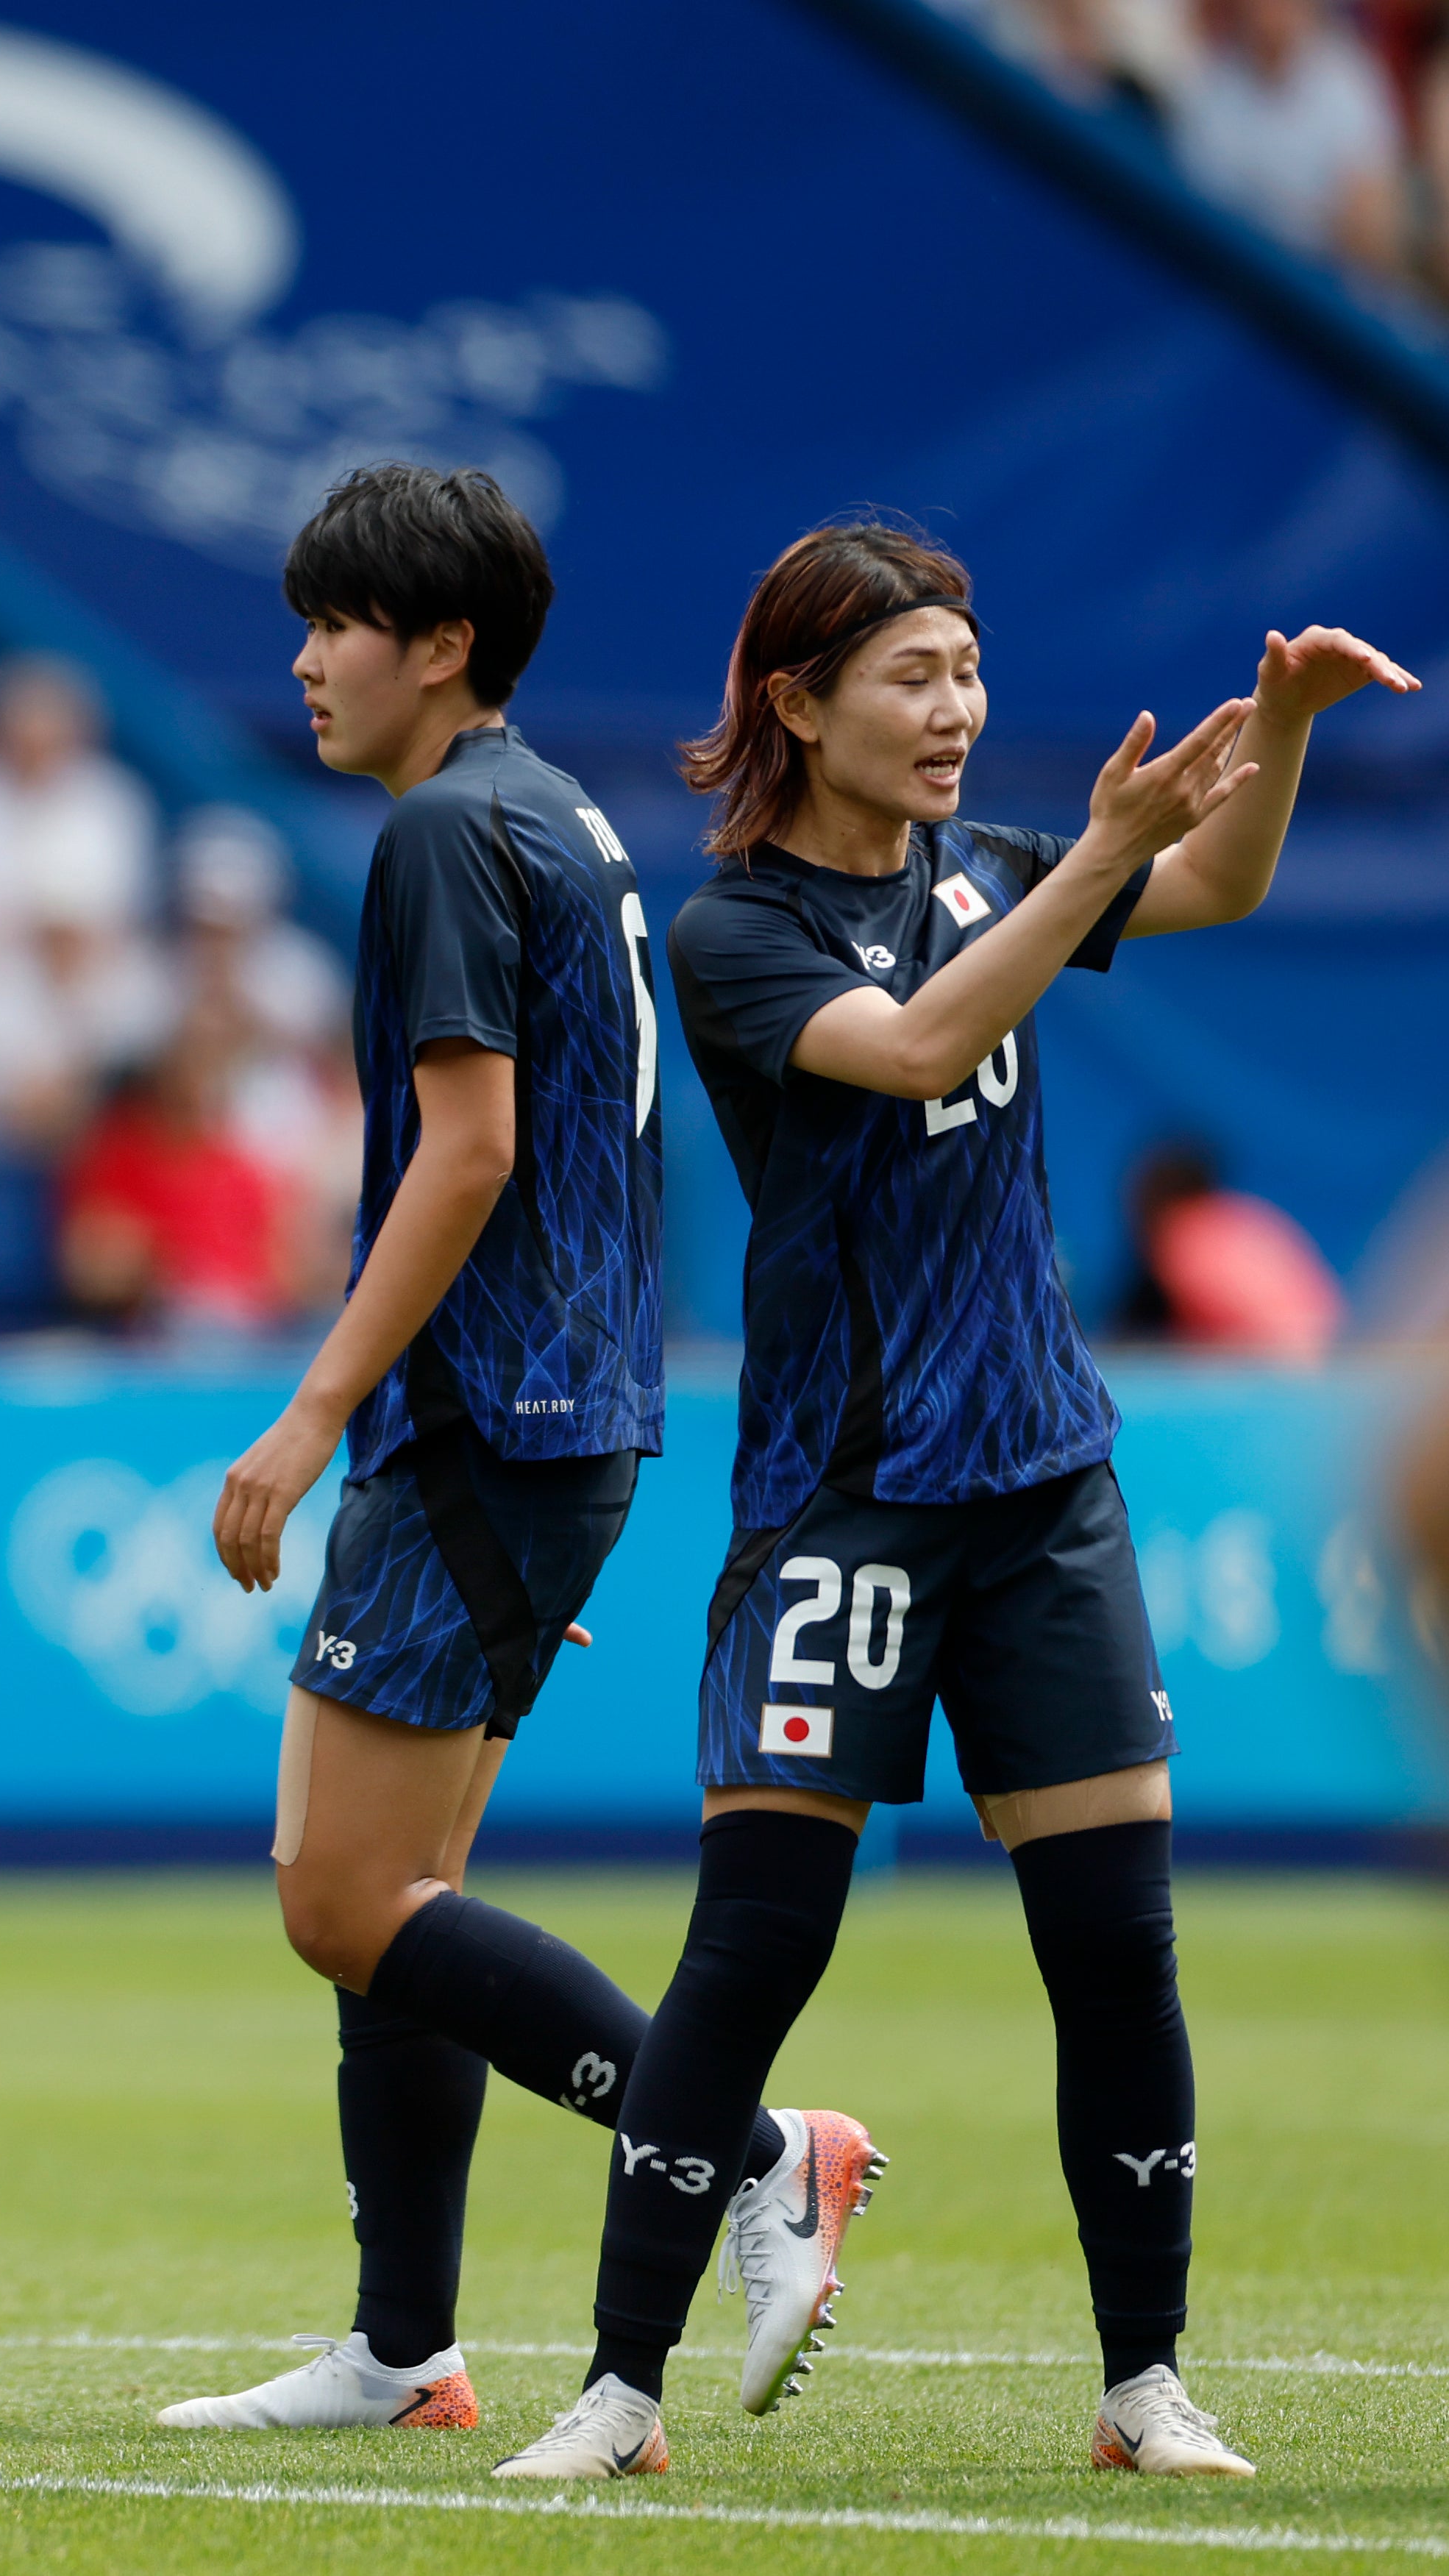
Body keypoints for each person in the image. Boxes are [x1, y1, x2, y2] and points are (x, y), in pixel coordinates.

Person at [491, 520, 1411, 2483]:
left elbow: (1225, 879)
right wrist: (1088, 853)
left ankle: (1143, 2383)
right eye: (915, 678)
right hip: (846, 1507)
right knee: (757, 1943)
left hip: (1044, 1496)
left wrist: (1297, 731)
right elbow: (917, 1046)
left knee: (1114, 1948)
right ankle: (620, 2389)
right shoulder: (736, 933)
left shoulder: (994, 873)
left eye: (968, 675)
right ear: (798, 704)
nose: (956, 710)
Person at [177, 464, 858, 2439]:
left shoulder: (446, 833)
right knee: (407, 1889)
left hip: (489, 1417)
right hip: (564, 1413)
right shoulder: (553, 808)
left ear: (442, 645)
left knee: (339, 1896)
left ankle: (741, 2152)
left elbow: (467, 1147)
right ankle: (407, 2347)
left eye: (335, 626)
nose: (304, 663)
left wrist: (313, 1411)